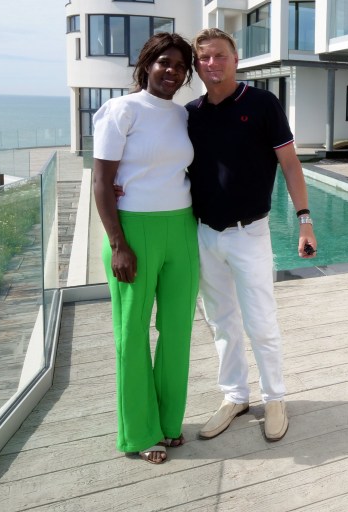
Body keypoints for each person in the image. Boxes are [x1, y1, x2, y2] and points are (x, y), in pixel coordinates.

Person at [187, 27, 317, 442]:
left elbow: (291, 164)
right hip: (206, 234)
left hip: (250, 234)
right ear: (197, 64)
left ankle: (275, 397)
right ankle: (235, 395)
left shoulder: (262, 104)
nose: (212, 63)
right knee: (221, 322)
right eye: (204, 57)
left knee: (260, 321)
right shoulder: (191, 113)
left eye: (220, 55)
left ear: (235, 59)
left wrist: (305, 220)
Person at [92, 32, 200, 464]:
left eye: (179, 66)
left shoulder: (183, 116)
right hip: (133, 232)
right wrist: (118, 242)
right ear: (147, 65)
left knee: (177, 332)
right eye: (164, 63)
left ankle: (170, 423)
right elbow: (101, 181)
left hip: (182, 228)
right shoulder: (121, 110)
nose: (171, 71)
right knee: (132, 335)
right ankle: (139, 432)